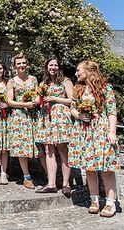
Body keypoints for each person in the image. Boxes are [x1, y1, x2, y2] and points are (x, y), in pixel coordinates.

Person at [68, 60, 119, 217]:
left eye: (78, 70)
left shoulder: (105, 88)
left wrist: (112, 131)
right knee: (89, 167)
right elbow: (73, 109)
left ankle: (111, 203)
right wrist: (80, 115)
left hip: (101, 129)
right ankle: (94, 200)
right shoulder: (78, 89)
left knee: (106, 168)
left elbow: (111, 111)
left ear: (89, 71)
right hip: (84, 131)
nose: (76, 73)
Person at [35, 57, 73, 196]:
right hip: (47, 117)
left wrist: (55, 99)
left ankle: (66, 184)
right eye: (51, 65)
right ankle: (51, 183)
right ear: (47, 67)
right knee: (48, 149)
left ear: (59, 67)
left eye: (55, 65)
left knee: (62, 149)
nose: (53, 67)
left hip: (61, 117)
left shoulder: (66, 81)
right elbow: (38, 99)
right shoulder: (43, 83)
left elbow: (72, 100)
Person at [7, 53, 44, 189]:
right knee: (22, 145)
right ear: (15, 66)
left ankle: (48, 176)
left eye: (23, 63)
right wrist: (23, 104)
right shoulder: (12, 81)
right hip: (19, 116)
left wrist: (35, 101)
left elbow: (38, 95)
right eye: (19, 63)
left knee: (38, 144)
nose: (22, 65)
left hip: (33, 114)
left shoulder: (33, 79)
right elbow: (9, 101)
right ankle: (26, 177)